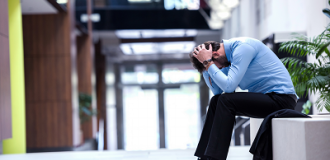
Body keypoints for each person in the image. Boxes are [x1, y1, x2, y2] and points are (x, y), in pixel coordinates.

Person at [189, 37, 297, 160]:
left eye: (215, 66)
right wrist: (206, 68)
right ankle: (204, 157)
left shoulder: (242, 48)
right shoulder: (225, 59)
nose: (217, 69)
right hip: (266, 98)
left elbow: (229, 87)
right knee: (216, 101)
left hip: (281, 99)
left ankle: (215, 158)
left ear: (215, 54)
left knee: (226, 101)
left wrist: (208, 63)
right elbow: (218, 91)